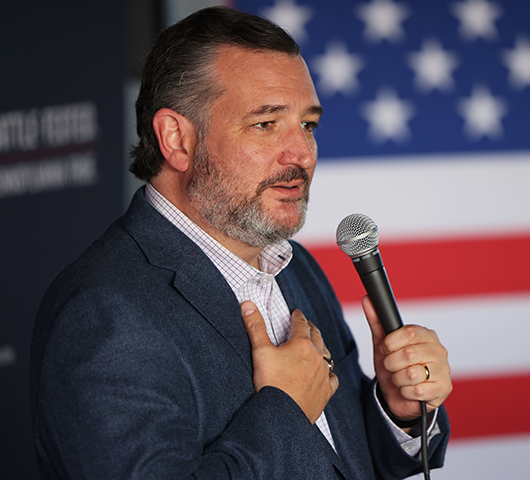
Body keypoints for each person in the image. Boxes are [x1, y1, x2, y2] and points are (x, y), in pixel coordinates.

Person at [30, 6, 451, 479]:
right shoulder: (103, 314)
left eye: (307, 124)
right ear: (176, 139)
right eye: (266, 124)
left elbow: (342, 462)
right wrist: (286, 410)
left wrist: (395, 409)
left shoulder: (296, 266)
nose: (303, 155)